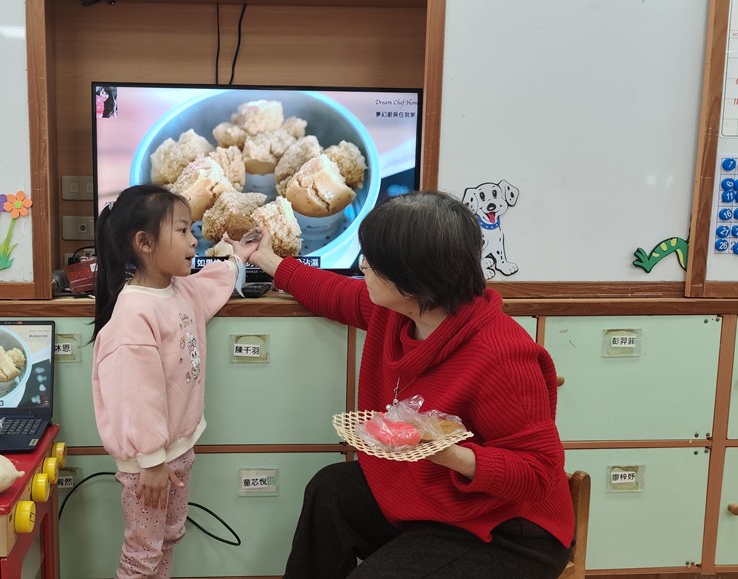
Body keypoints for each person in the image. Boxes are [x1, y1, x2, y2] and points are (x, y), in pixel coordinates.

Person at [245, 190, 575, 579]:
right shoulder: (399, 311)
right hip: (437, 499)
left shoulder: (502, 356)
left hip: (507, 532)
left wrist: (452, 456)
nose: (362, 267)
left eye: (372, 262)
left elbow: (539, 474)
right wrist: (265, 258)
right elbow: (335, 294)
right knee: (331, 490)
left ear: (413, 279)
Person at [90, 184, 257, 578]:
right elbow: (137, 397)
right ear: (145, 243)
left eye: (191, 230)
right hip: (149, 463)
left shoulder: (178, 289)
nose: (193, 240)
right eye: (182, 231)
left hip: (178, 450)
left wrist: (238, 258)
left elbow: (211, 282)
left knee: (168, 537)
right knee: (143, 552)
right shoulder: (134, 315)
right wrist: (151, 461)